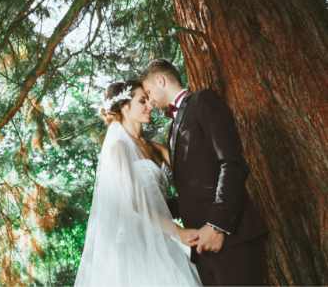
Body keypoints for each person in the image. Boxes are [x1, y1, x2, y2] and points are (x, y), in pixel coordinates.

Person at [140, 59, 269, 287]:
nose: (149, 101)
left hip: (231, 238)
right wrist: (145, 210)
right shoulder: (173, 128)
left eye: (148, 93)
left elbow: (232, 164)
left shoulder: (203, 100)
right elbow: (194, 189)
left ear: (160, 80)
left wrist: (217, 226)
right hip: (201, 247)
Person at [74, 80, 202, 287]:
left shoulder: (155, 148)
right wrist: (178, 232)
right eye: (143, 101)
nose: (150, 105)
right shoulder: (118, 146)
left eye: (149, 100)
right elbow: (134, 201)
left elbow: (192, 175)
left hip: (162, 243)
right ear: (125, 107)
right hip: (133, 250)